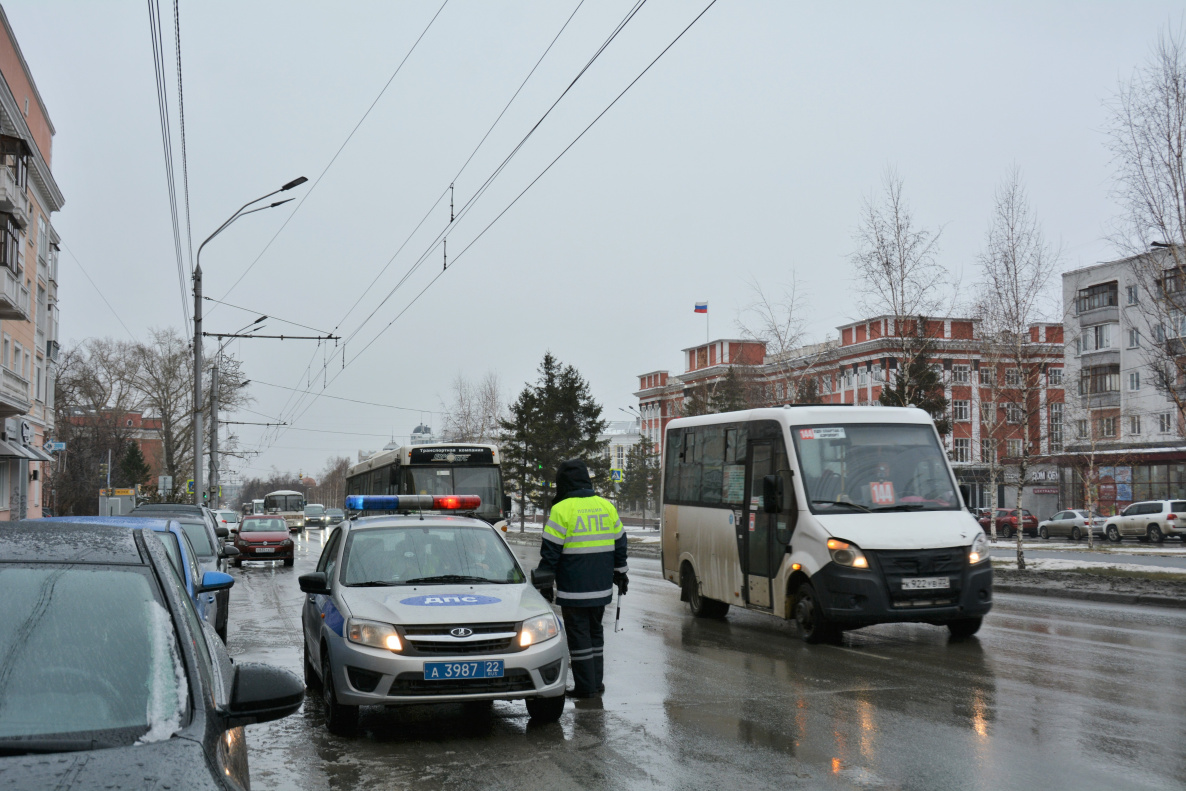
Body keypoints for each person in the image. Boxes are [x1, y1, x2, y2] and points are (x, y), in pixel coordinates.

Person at [536, 459, 628, 698]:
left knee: (579, 639)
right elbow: (620, 542)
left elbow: (551, 552)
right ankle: (596, 684)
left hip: (574, 590)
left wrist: (545, 582)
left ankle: (586, 688)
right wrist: (621, 573)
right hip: (601, 588)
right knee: (596, 634)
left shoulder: (562, 509)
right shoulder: (606, 506)